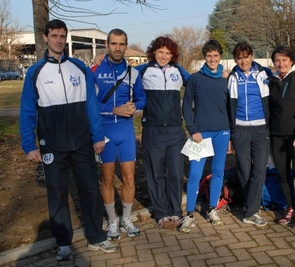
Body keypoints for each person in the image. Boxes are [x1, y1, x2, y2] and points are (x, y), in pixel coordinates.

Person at [19, 19, 119, 261]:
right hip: (52, 145)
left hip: (83, 143)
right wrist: (29, 145)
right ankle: (63, 243)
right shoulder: (35, 72)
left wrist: (97, 137)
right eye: (54, 35)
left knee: (89, 191)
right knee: (57, 194)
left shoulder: (79, 68)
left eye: (62, 36)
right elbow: (27, 110)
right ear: (45, 37)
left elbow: (91, 106)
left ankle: (96, 237)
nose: (59, 40)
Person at [91, 29, 146, 240]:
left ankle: (126, 219)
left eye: (121, 44)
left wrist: (135, 107)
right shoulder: (95, 69)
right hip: (104, 131)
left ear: (126, 45)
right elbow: (90, 103)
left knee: (129, 177)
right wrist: (113, 110)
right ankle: (112, 221)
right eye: (113, 43)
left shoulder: (133, 73)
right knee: (107, 179)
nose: (117, 48)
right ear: (107, 44)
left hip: (126, 131)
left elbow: (142, 99)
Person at [135, 36, 190, 229]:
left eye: (168, 53)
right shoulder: (143, 70)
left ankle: (176, 211)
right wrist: (100, 63)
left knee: (175, 173)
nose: (164, 56)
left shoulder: (178, 70)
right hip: (152, 130)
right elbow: (120, 76)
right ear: (154, 52)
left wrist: (221, 75)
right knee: (155, 173)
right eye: (161, 52)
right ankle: (161, 213)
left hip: (175, 130)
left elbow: (197, 84)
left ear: (172, 55)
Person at [179, 40, 230, 233]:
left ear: (220, 57)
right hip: (200, 134)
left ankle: (211, 209)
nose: (212, 59)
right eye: (209, 56)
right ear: (205, 57)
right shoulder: (195, 79)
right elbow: (186, 105)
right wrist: (192, 129)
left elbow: (230, 108)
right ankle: (190, 214)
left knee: (218, 172)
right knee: (194, 174)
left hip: (222, 132)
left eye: (216, 56)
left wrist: (230, 133)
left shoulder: (226, 79)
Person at [226, 41, 271, 227]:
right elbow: (228, 106)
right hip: (240, 129)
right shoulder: (232, 77)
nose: (243, 61)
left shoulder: (263, 74)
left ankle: (250, 210)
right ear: (235, 59)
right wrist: (231, 133)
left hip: (261, 128)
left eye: (246, 57)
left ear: (252, 56)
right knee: (244, 171)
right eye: (239, 58)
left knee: (259, 169)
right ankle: (250, 208)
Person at [269, 46, 295, 229]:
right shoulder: (272, 80)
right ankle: (290, 207)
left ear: (291, 60)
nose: (281, 64)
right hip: (277, 135)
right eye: (277, 60)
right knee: (283, 174)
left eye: (284, 60)